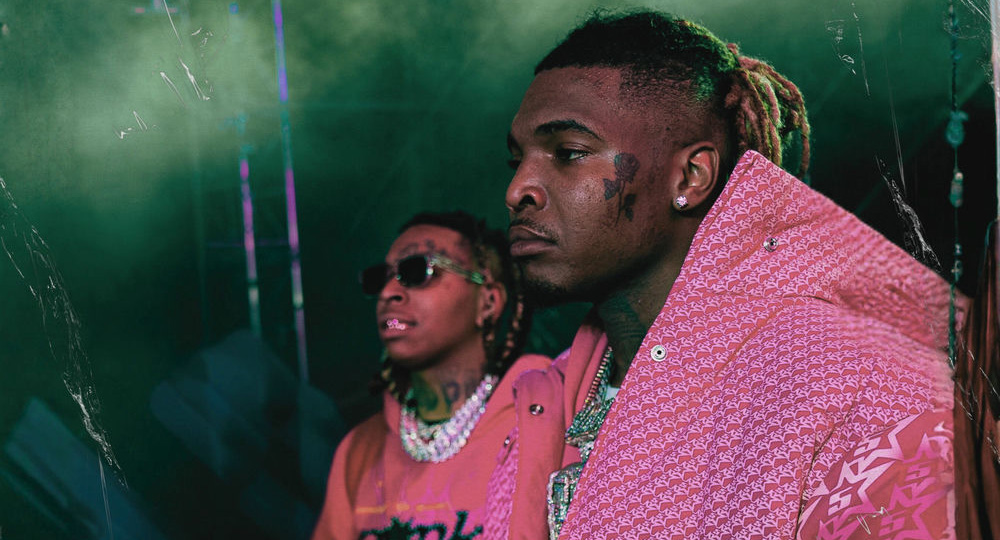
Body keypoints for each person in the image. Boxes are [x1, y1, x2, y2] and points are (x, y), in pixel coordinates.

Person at [489, 10, 956, 539]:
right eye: (516, 161)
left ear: (690, 176)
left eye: (569, 153)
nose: (517, 190)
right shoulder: (540, 400)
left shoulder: (851, 379)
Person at [312, 211, 549, 540]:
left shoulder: (545, 418)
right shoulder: (360, 450)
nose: (388, 292)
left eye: (416, 271)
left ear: (488, 302)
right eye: (380, 278)